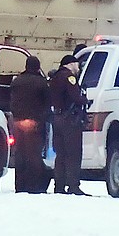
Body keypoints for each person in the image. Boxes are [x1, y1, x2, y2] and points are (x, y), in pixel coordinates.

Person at [9, 56, 52, 193]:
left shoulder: (17, 81)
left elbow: (11, 100)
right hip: (35, 122)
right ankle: (33, 186)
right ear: (38, 67)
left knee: (20, 154)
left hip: (17, 122)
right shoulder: (41, 82)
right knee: (34, 154)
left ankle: (20, 186)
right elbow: (47, 102)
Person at [49, 54, 88, 195]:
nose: (77, 68)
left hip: (57, 118)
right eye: (76, 65)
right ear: (71, 64)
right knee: (73, 153)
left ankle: (59, 186)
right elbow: (75, 97)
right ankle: (73, 186)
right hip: (69, 120)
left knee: (61, 154)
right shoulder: (69, 78)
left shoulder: (55, 77)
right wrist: (85, 100)